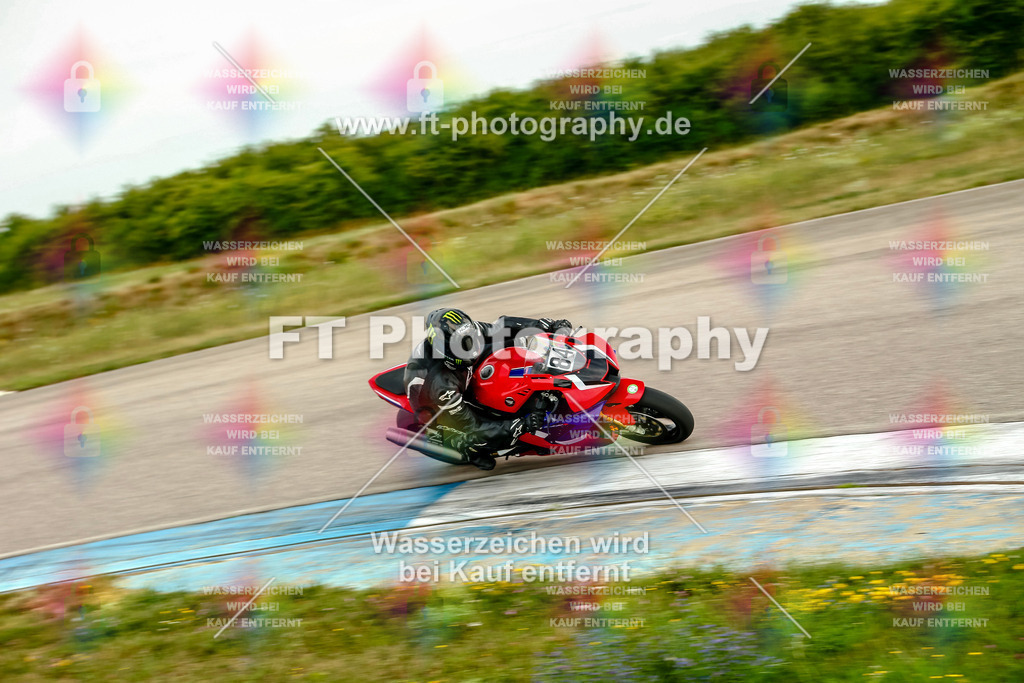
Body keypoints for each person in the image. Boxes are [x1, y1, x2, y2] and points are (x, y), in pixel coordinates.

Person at [404, 308, 573, 470]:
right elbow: (473, 426)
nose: (471, 346)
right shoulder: (441, 384)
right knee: (482, 437)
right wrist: (522, 424)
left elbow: (502, 325)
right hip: (434, 405)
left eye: (470, 339)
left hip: (457, 373)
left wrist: (546, 326)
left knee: (509, 344)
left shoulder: (467, 332)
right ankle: (468, 450)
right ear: (447, 349)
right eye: (464, 345)